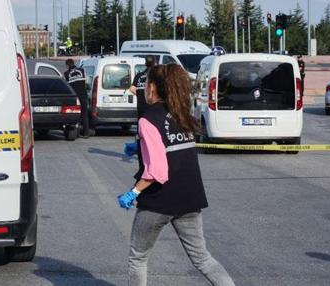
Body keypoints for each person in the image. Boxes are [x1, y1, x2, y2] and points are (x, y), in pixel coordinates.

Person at [117, 64, 236, 286]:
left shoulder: (147, 118)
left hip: (158, 202)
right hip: (189, 199)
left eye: (145, 85)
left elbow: (157, 171)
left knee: (138, 258)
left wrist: (132, 192)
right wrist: (139, 147)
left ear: (152, 87)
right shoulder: (182, 114)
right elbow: (172, 148)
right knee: (202, 258)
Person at [64, 58, 89, 138]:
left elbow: (66, 86)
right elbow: (86, 83)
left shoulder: (66, 73)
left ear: (67, 65)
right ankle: (86, 133)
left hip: (75, 97)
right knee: (84, 115)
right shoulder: (82, 70)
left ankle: (75, 133)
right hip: (83, 95)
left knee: (75, 115)